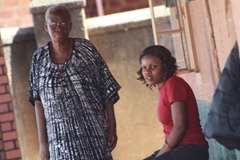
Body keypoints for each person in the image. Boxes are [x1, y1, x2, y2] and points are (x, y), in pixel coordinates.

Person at [28, 5, 121, 160]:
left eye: (64, 24)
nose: (59, 28)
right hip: (58, 141)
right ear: (46, 27)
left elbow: (106, 88)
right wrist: (43, 143)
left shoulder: (86, 49)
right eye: (54, 23)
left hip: (94, 135)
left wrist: (113, 127)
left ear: (70, 26)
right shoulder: (39, 58)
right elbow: (37, 101)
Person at [137, 45, 209, 160]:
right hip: (179, 148)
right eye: (144, 67)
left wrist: (160, 155)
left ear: (165, 66)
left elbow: (180, 127)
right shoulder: (164, 88)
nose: (147, 71)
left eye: (153, 67)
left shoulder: (173, 84)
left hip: (191, 149)